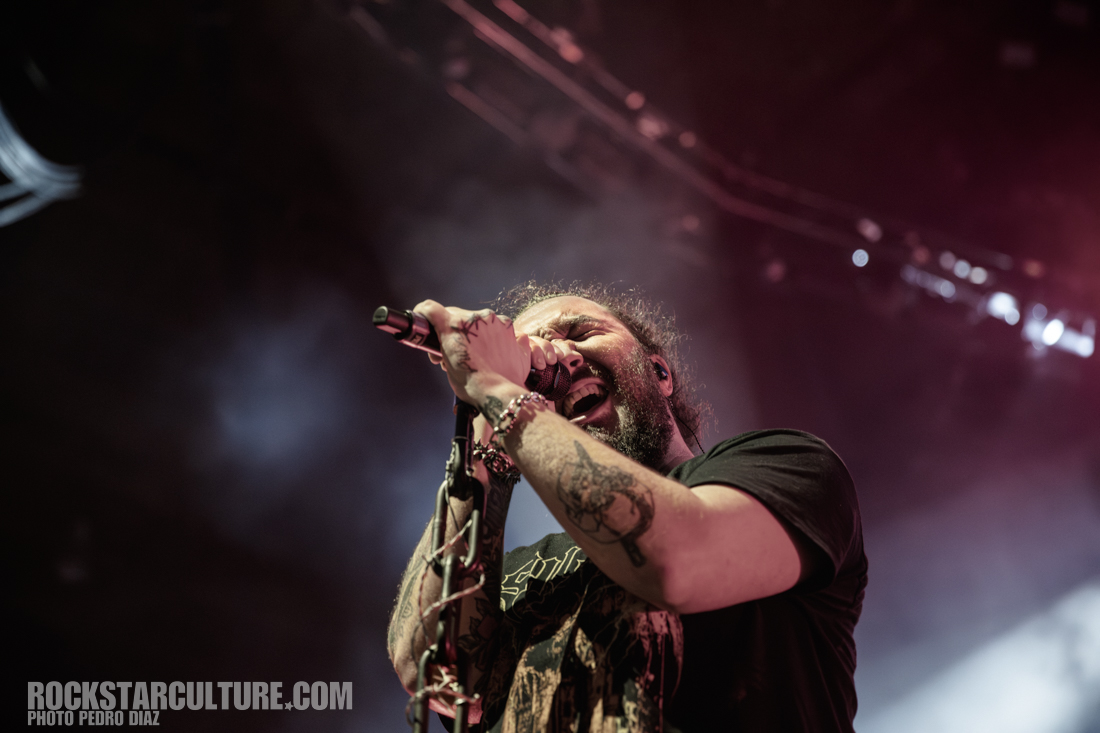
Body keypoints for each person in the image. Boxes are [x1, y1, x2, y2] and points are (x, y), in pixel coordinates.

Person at [387, 281, 867, 733]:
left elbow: (676, 560)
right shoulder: (517, 575)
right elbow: (431, 671)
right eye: (531, 357)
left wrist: (498, 389)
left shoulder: (787, 465)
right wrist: (486, 447)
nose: (559, 356)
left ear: (660, 374)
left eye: (580, 333)